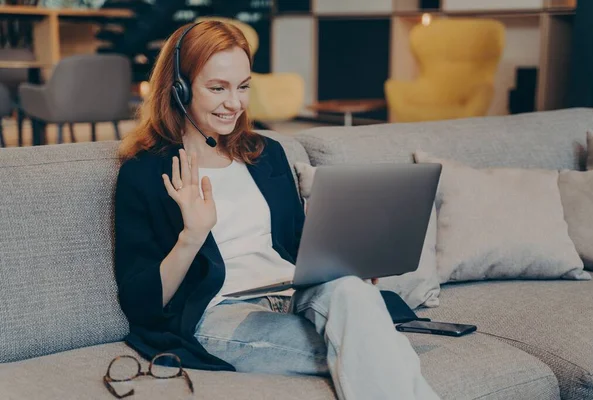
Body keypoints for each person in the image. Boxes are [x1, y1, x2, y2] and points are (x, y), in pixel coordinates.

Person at [114, 20, 439, 400]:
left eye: (243, 87)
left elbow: (303, 246)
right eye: (217, 88)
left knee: (353, 296)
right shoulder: (145, 172)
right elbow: (141, 302)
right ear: (179, 88)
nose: (234, 103)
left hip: (296, 293)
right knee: (375, 348)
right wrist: (191, 237)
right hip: (222, 314)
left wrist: (350, 263)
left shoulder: (265, 154)